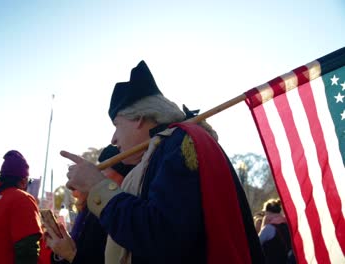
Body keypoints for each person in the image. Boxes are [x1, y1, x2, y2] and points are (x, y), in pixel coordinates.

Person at [61, 60, 264, 263]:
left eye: (116, 125)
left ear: (138, 117)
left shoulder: (178, 143)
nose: (113, 139)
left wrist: (98, 186)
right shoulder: (171, 146)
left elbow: (163, 236)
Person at [45, 145, 134, 264]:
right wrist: (61, 247)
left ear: (121, 175)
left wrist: (70, 254)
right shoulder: (91, 208)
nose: (98, 174)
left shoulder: (119, 213)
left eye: (104, 169)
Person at [259, 198, 295, 264]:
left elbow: (257, 244)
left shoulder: (268, 228)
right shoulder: (288, 224)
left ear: (268, 212)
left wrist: (263, 225)